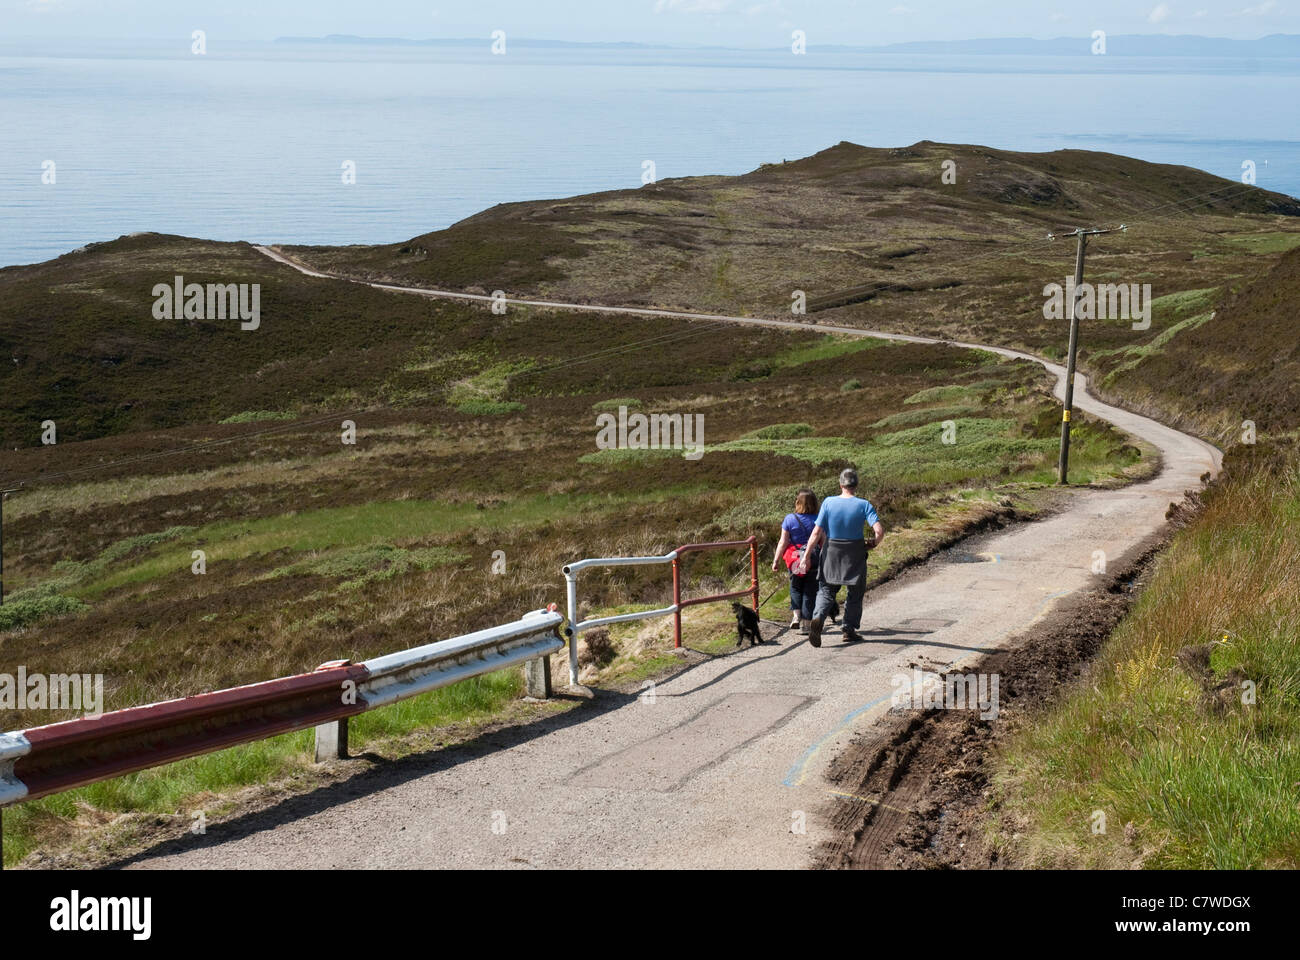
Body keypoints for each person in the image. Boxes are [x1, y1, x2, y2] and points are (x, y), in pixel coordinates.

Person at [795, 467, 883, 647]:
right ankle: (848, 629)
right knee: (855, 592)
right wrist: (873, 543)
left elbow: (816, 532)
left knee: (826, 589)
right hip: (855, 553)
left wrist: (805, 557)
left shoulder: (828, 502)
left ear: (840, 484)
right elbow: (879, 531)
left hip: (832, 551)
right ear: (856, 485)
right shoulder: (864, 504)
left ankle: (818, 617)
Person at [771, 488, 820, 634]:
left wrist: (776, 560)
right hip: (812, 558)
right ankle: (806, 624)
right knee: (809, 591)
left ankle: (796, 617)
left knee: (795, 587)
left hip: (794, 560)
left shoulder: (789, 519)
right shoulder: (818, 519)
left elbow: (783, 542)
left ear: (797, 502)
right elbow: (822, 541)